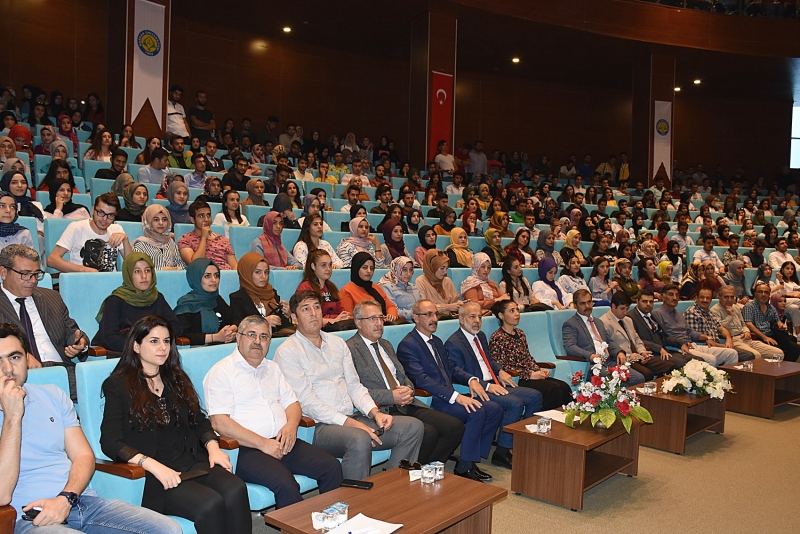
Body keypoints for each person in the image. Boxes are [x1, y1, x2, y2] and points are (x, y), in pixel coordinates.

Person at [0, 322, 182, 534]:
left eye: (15, 357)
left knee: (168, 529)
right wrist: (13, 416)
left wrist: (66, 498)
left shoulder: (52, 395)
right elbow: (2, 494)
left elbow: (83, 456)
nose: (8, 369)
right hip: (28, 516)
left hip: (80, 501)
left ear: (27, 358)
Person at [99, 315, 249, 534]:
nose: (163, 348)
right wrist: (150, 464)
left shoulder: (175, 378)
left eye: (167, 341)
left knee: (236, 488)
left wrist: (213, 447)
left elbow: (199, 420)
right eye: (154, 341)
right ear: (136, 346)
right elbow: (110, 442)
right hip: (156, 475)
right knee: (210, 504)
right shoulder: (118, 385)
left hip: (190, 462)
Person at [274, 290, 424, 480]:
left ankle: (392, 490)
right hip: (319, 426)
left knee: (413, 427)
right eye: (306, 309)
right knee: (359, 438)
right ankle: (355, 502)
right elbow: (307, 402)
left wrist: (374, 413)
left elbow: (354, 386)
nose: (313, 313)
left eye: (317, 307)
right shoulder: (288, 351)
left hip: (352, 417)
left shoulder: (337, 343)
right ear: (294, 318)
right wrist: (350, 423)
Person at [203, 314, 343, 509]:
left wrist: (291, 427)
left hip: (282, 440)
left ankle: (333, 524)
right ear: (238, 338)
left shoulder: (273, 368)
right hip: (245, 449)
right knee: (286, 484)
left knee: (331, 467)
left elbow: (293, 404)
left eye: (264, 337)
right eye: (251, 335)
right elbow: (219, 423)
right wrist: (263, 444)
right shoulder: (222, 372)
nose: (257, 342)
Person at [346, 300, 464, 465]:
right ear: (358, 322)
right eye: (373, 319)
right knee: (428, 432)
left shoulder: (385, 344)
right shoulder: (350, 349)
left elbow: (402, 376)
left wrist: (409, 389)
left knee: (454, 426)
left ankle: (425, 468)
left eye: (381, 318)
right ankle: (409, 474)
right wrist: (391, 396)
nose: (379, 323)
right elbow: (354, 390)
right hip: (382, 409)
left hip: (407, 403)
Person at [396, 299, 503, 481]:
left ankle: (471, 455)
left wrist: (471, 379)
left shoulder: (436, 341)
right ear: (415, 318)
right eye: (428, 314)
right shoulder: (408, 345)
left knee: (494, 409)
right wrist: (455, 397)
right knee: (477, 411)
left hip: (449, 394)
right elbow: (422, 380)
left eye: (435, 314)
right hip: (433, 399)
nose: (434, 318)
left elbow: (451, 369)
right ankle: (464, 466)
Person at [445, 302, 543, 469]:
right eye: (472, 317)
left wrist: (500, 371)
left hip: (494, 381)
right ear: (461, 319)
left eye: (480, 317)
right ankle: (502, 452)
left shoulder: (480, 336)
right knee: (514, 403)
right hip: (477, 388)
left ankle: (524, 443)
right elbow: (457, 373)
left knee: (535, 396)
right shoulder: (454, 342)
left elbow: (489, 360)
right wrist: (486, 385)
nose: (477, 321)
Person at [92, 253, 182, 354]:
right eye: (137, 271)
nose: (144, 276)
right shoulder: (115, 301)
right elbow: (109, 338)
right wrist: (140, 348)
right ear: (128, 274)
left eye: (147, 270)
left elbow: (176, 326)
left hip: (154, 353)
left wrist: (155, 342)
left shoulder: (156, 297)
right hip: (125, 356)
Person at [490, 300, 573, 409]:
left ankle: (569, 418)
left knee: (564, 387)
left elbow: (528, 358)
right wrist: (529, 375)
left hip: (529, 374)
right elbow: (502, 367)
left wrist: (538, 370)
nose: (517, 314)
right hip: (517, 378)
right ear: (501, 315)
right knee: (553, 389)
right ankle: (546, 420)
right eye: (512, 311)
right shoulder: (498, 337)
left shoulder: (520, 333)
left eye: (517, 310)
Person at [562, 289, 646, 385]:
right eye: (582, 303)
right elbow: (570, 347)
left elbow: (609, 341)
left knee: (639, 378)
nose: (587, 306)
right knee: (615, 379)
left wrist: (619, 352)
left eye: (589, 302)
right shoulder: (571, 324)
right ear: (575, 306)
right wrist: (590, 356)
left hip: (609, 361)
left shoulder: (598, 322)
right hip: (593, 365)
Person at [600, 291, 681, 380]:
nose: (625, 312)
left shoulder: (628, 320)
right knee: (647, 373)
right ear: (613, 306)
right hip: (625, 359)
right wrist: (629, 356)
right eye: (622, 309)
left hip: (639, 356)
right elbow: (609, 348)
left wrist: (642, 352)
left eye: (627, 309)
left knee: (671, 366)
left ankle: (659, 389)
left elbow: (637, 339)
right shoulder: (604, 322)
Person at [652, 284, 738, 367]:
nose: (674, 298)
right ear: (663, 297)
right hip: (676, 347)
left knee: (731, 353)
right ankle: (710, 381)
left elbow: (689, 332)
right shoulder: (657, 314)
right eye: (671, 295)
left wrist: (707, 338)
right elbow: (663, 336)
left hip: (692, 345)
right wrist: (682, 343)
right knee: (710, 359)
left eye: (677, 295)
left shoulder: (678, 313)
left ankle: (726, 380)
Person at [48, 193, 131, 273]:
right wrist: (84, 270)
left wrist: (125, 240)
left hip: (110, 282)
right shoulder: (77, 228)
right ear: (93, 210)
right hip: (82, 281)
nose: (105, 219)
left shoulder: (117, 229)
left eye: (111, 215)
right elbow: (52, 260)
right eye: (101, 212)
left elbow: (132, 264)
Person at [229, 252, 295, 337]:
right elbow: (239, 327)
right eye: (258, 272)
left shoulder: (272, 293)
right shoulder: (238, 298)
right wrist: (263, 322)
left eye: (266, 272)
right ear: (247, 273)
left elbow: (281, 327)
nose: (263, 276)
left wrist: (287, 315)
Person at [174, 259, 237, 346]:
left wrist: (232, 329)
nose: (214, 280)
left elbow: (235, 318)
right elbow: (183, 334)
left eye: (216, 275)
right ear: (196, 278)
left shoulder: (217, 299)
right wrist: (216, 337)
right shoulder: (186, 304)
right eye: (207, 276)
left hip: (223, 348)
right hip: (199, 352)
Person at [711, 286, 778, 360]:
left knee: (778, 353)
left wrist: (746, 331)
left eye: (732, 297)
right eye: (726, 297)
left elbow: (743, 323)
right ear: (719, 297)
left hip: (746, 338)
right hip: (733, 340)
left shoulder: (735, 307)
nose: (729, 300)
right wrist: (730, 315)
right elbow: (719, 328)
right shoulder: (714, 310)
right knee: (756, 355)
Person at [742, 282, 800, 362]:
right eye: (760, 292)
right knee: (780, 350)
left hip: (772, 334)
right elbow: (748, 324)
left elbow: (777, 321)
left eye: (766, 292)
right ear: (755, 294)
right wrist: (764, 337)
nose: (763, 294)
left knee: (795, 348)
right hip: (759, 337)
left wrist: (780, 325)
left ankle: (785, 370)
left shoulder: (770, 307)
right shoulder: (749, 306)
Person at [296, 250, 353, 331]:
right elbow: (306, 319)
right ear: (313, 266)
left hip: (334, 327)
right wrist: (334, 321)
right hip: (316, 330)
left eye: (330, 265)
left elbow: (340, 311)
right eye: (323, 265)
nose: (328, 269)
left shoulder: (331, 287)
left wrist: (343, 317)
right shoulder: (305, 288)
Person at [340, 252, 400, 322]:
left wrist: (391, 315)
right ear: (356, 268)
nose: (369, 271)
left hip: (384, 324)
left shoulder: (375, 287)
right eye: (364, 268)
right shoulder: (346, 291)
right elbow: (348, 318)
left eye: (372, 268)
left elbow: (390, 306)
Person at [178, 200, 237, 270]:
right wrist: (204, 238)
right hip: (204, 277)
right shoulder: (185, 240)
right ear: (192, 219)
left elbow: (234, 266)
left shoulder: (223, 240)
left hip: (226, 275)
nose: (206, 219)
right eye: (201, 216)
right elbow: (194, 264)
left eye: (208, 215)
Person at [132, 205, 187, 270]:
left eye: (164, 219)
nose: (161, 223)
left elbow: (182, 266)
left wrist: (177, 269)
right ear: (149, 222)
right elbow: (138, 269)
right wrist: (161, 270)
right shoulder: (140, 245)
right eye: (156, 220)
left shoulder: (170, 242)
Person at [415, 248, 462, 316]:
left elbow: (454, 301)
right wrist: (447, 307)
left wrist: (459, 305)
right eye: (442, 268)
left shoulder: (447, 281)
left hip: (449, 318)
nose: (445, 272)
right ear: (432, 266)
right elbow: (423, 307)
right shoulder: (420, 281)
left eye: (446, 268)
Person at [378, 256, 422, 322]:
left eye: (410, 270)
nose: (408, 274)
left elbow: (422, 305)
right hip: (404, 322)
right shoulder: (387, 287)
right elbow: (393, 311)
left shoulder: (414, 287)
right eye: (404, 270)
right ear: (396, 269)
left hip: (420, 321)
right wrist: (415, 314)